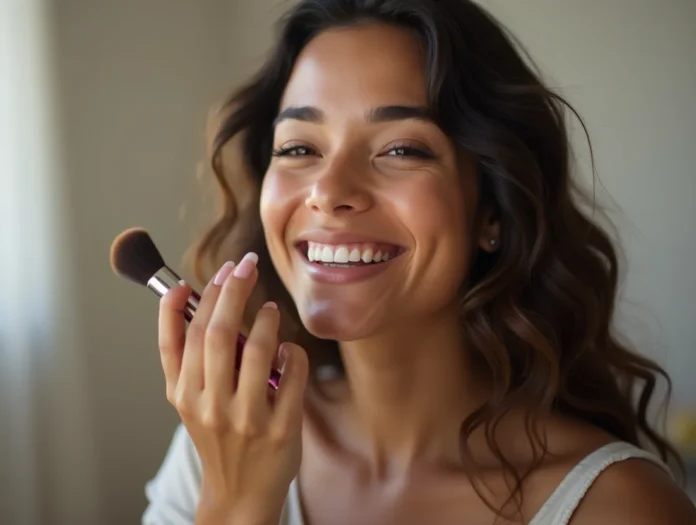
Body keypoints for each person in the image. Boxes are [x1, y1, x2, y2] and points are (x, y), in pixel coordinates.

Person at [143, 1, 696, 523]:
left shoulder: (618, 507)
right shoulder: (225, 442)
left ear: (493, 213)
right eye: (298, 148)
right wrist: (235, 503)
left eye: (401, 149)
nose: (328, 191)